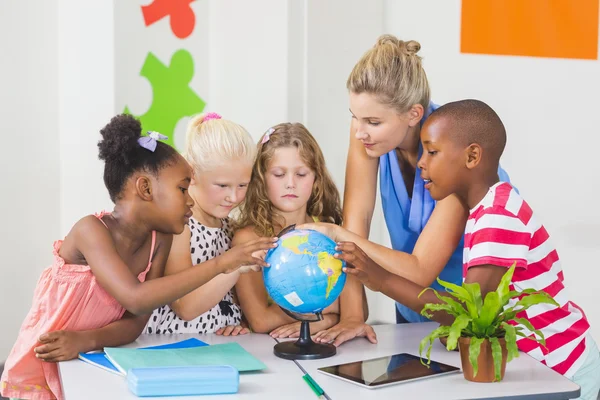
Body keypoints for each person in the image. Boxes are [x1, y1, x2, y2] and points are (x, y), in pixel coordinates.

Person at [312, 100, 600, 400]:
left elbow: (468, 315)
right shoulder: (484, 209)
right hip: (531, 368)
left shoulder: (498, 217)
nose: (421, 163)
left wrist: (381, 279)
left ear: (472, 156)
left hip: (563, 369)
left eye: (432, 152)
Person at [0, 114, 276, 400]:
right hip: (49, 355)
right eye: (183, 188)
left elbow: (135, 322)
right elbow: (136, 297)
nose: (190, 199)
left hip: (96, 352)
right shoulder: (90, 230)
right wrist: (223, 264)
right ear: (145, 189)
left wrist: (87, 340)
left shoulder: (161, 240)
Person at [318, 34, 511, 346]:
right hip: (411, 312)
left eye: (372, 121)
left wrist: (332, 232)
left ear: (413, 114)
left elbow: (420, 270)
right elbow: (355, 227)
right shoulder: (367, 136)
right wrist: (353, 315)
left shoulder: (455, 156)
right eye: (354, 116)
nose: (359, 131)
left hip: (474, 324)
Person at [144, 112, 257, 336]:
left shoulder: (229, 227)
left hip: (217, 345)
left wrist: (235, 321)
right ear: (192, 173)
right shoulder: (180, 227)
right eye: (222, 186)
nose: (233, 197)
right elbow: (185, 307)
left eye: (242, 185)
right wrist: (236, 267)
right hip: (173, 345)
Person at [233, 123, 345, 338]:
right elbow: (261, 321)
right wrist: (329, 315)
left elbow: (357, 311)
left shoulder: (330, 232)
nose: (290, 184)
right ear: (261, 178)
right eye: (278, 174)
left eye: (301, 174)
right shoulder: (248, 239)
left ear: (316, 179)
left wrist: (324, 321)